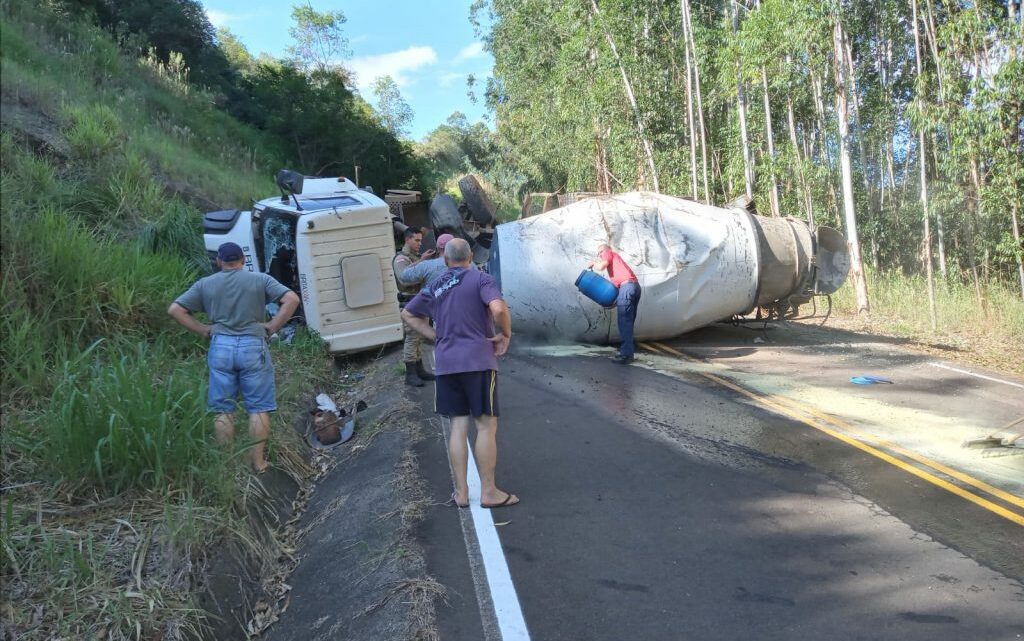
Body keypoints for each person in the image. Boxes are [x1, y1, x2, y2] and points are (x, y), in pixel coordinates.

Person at [401, 238, 519, 509]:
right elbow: (499, 308)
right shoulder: (481, 279)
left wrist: (435, 335)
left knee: (458, 425)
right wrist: (505, 334)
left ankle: (462, 493)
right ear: (471, 257)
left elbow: (408, 314)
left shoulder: (436, 284)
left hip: (446, 363)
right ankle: (489, 492)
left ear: (445, 260)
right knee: (485, 425)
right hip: (478, 361)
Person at [168, 242, 300, 472]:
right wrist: (272, 327)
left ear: (219, 261)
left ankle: (228, 468)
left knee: (223, 408)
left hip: (221, 347)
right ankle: (258, 463)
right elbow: (292, 299)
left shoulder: (205, 284)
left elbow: (175, 310)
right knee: (258, 407)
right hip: (252, 345)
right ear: (243, 261)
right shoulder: (260, 280)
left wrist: (203, 329)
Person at [393, 226, 438, 387]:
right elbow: (404, 278)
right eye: (417, 240)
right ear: (407, 240)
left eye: (421, 240)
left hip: (421, 301)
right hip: (409, 302)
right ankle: (410, 374)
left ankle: (419, 370)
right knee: (412, 337)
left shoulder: (416, 257)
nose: (420, 243)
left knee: (419, 337)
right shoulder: (401, 259)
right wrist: (423, 262)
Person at [588, 243, 641, 364]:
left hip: (627, 287)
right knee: (628, 322)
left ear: (606, 250)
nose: (600, 255)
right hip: (634, 287)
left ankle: (626, 356)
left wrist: (593, 264)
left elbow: (601, 266)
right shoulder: (616, 262)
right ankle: (628, 353)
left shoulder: (609, 253)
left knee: (624, 322)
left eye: (600, 252)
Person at [397, 233, 476, 291]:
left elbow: (403, 276)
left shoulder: (426, 265)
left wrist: (422, 260)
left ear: (437, 249)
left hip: (434, 311)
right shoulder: (471, 264)